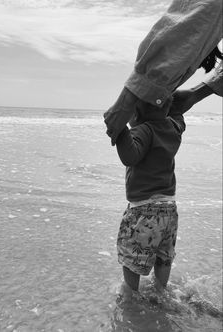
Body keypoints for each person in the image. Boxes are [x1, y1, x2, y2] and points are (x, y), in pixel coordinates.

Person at [104, 0, 222, 145]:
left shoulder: (146, 134)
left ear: (136, 114)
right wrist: (199, 92)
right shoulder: (174, 128)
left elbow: (206, 7)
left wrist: (127, 104)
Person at [115, 98, 185, 295]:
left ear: (136, 113)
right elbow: (179, 116)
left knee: (132, 256)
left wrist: (120, 129)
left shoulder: (144, 130)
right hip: (169, 209)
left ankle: (131, 295)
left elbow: (129, 156)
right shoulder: (173, 127)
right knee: (164, 256)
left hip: (144, 209)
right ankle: (161, 290)